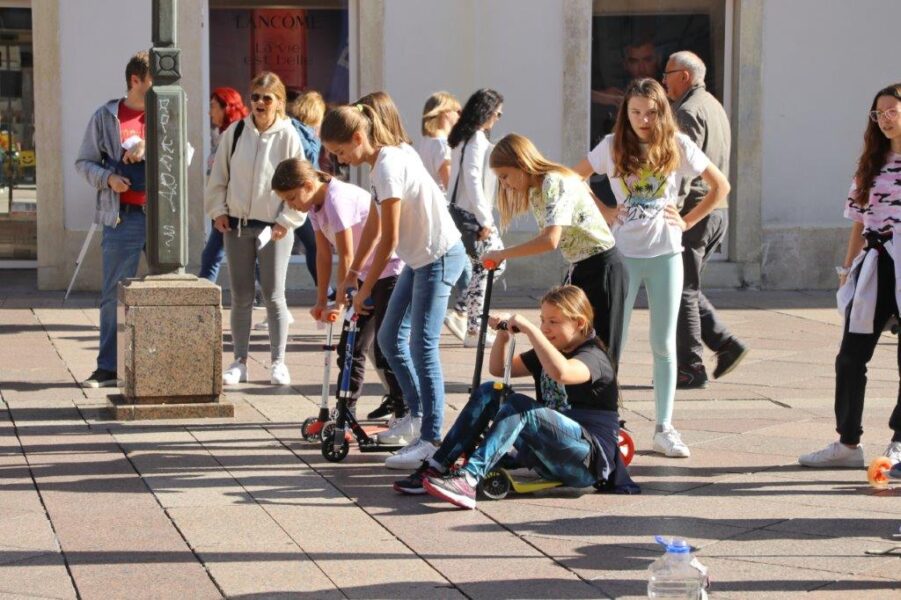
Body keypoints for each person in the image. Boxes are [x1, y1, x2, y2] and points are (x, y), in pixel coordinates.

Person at [573, 78, 730, 458]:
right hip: (622, 256)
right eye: (636, 112)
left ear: (662, 112)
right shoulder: (611, 146)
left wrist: (689, 220)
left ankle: (664, 428)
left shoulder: (678, 145)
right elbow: (571, 178)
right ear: (625, 113)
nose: (643, 119)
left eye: (651, 112)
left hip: (666, 255)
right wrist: (607, 211)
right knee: (613, 344)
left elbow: (720, 186)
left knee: (663, 344)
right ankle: (607, 421)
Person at [321, 97, 467, 468]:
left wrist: (366, 288)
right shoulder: (384, 158)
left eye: (339, 151)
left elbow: (388, 237)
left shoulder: (387, 165)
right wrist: (353, 273)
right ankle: (415, 419)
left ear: (358, 137)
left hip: (437, 256)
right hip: (420, 259)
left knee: (422, 346)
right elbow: (373, 221)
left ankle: (432, 438)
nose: (339, 160)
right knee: (388, 339)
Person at [417, 286, 639, 509]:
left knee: (519, 405)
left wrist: (531, 329)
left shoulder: (593, 357)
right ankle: (438, 466)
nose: (545, 328)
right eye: (542, 320)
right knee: (490, 390)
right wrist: (504, 335)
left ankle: (469, 479)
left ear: (579, 323)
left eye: (554, 322)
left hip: (585, 462)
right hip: (551, 453)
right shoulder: (553, 350)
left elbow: (562, 372)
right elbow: (499, 369)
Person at [799, 83, 901, 468]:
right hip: (874, 265)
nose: (884, 119)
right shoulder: (870, 163)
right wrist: (847, 270)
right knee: (850, 356)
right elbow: (858, 223)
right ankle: (847, 442)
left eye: (892, 111)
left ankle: (900, 440)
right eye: (878, 113)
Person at [271, 157, 407, 425]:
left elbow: (346, 255)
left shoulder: (336, 199)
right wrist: (322, 299)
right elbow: (323, 253)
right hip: (364, 276)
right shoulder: (314, 205)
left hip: (389, 271)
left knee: (386, 345)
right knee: (350, 347)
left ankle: (405, 409)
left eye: (292, 197)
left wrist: (342, 303)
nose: (291, 205)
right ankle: (346, 412)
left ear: (309, 185)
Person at [482, 133, 627, 366]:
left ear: (521, 163)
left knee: (602, 347)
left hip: (602, 266)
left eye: (505, 176)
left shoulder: (553, 181)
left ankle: (603, 400)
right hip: (579, 265)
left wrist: (501, 254)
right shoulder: (536, 190)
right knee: (570, 339)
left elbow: (550, 240)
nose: (505, 184)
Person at [205, 71, 305, 386]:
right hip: (237, 226)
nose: (260, 103)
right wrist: (218, 211)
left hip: (274, 228)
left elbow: (301, 183)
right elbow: (218, 178)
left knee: (275, 295)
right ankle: (239, 361)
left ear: (279, 102)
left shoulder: (289, 135)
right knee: (241, 295)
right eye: (255, 97)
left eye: (267, 98)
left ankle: (278, 362)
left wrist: (285, 221)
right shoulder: (234, 133)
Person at [662, 51, 748, 389]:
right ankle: (725, 344)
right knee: (688, 287)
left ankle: (691, 367)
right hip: (716, 211)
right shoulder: (712, 104)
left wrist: (675, 212)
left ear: (683, 75)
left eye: (667, 73)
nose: (663, 80)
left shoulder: (687, 111)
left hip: (695, 212)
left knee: (682, 289)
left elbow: (683, 168)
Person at [77, 51, 152, 388]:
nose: (160, 89)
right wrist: (108, 179)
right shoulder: (106, 117)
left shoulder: (166, 112)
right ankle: (107, 367)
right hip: (123, 216)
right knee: (113, 295)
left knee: (169, 292)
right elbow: (84, 162)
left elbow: (185, 155)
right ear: (135, 80)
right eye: (154, 82)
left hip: (164, 218)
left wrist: (148, 146)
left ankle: (162, 362)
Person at [446, 89, 507, 348]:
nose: (499, 117)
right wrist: (485, 220)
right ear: (487, 111)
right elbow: (472, 179)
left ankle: (472, 325)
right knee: (493, 263)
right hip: (471, 215)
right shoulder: (477, 139)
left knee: (482, 269)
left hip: (458, 212)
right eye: (497, 112)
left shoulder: (464, 138)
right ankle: (466, 318)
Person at [416, 91, 472, 342]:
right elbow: (450, 184)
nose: (460, 115)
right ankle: (466, 314)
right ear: (444, 113)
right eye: (456, 110)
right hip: (445, 211)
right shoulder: (440, 145)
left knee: (459, 265)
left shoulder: (424, 143)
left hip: (429, 213)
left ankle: (466, 315)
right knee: (468, 265)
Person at [199, 87, 249, 283]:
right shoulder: (223, 135)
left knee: (212, 256)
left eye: (213, 106)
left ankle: (202, 298)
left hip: (231, 207)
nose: (210, 112)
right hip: (222, 206)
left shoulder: (237, 134)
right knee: (214, 255)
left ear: (226, 107)